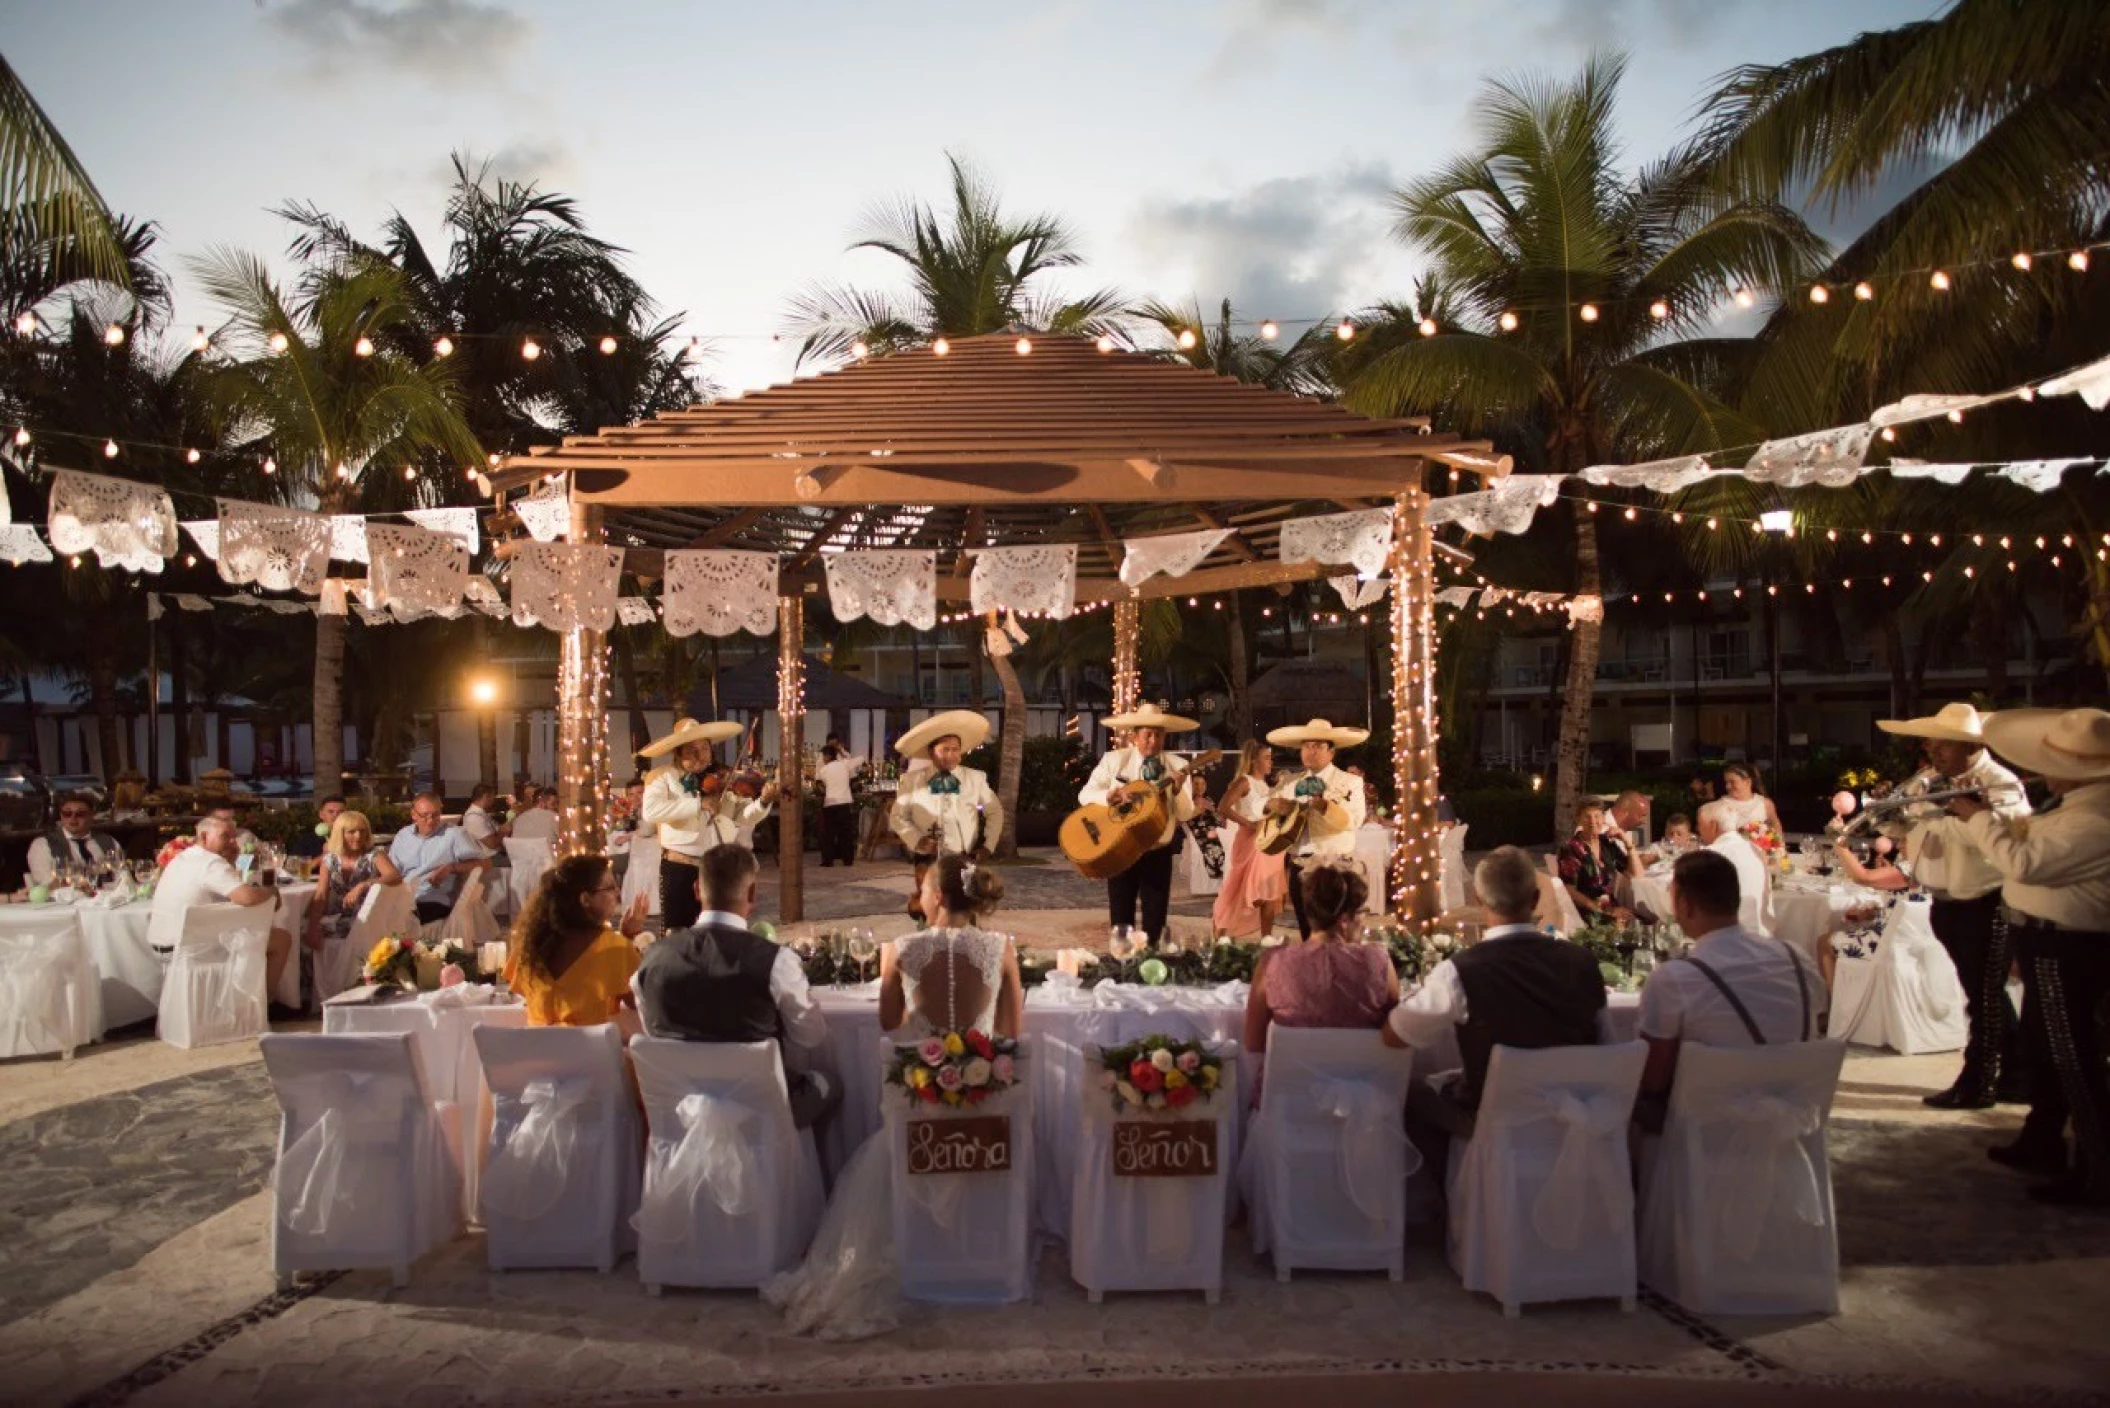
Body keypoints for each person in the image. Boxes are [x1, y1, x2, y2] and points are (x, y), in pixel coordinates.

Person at [764, 852, 1023, 1341]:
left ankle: (916, 1250)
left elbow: (889, 1025)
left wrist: (932, 1043)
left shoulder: (899, 948)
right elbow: (1011, 1034)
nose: (919, 894)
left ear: (940, 897)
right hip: (983, 1108)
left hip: (920, 1105)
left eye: (923, 886)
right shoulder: (1001, 947)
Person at [1948, 708, 2110, 1206]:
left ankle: (2097, 1171)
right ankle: (2044, 1141)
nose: (2040, 770)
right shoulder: (2072, 807)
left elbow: (2024, 863)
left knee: (2073, 1060)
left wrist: (1976, 818)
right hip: (2048, 942)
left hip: (2068, 946)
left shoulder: (2093, 817)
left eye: (2050, 761)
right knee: (2051, 1053)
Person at [1386, 845, 1608, 1167]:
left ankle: (1439, 1202)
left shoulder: (1462, 971)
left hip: (1495, 1121)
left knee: (1407, 1090)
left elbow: (1395, 1035)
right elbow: (1607, 1043)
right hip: (1573, 1114)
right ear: (1534, 900)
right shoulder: (1583, 962)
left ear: (1480, 900)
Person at [1861, 702, 2032, 1109]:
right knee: (1984, 992)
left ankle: (1978, 1083)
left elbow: (2008, 837)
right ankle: (2016, 1075)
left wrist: (1960, 813)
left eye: (1942, 745)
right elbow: (1907, 826)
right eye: (1931, 744)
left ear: (1969, 746)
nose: (1932, 752)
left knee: (1984, 996)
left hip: (1985, 901)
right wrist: (1885, 815)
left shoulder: (2000, 782)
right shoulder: (1931, 780)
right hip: (1945, 900)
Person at [633, 843, 835, 1123]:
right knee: (832, 1083)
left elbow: (654, 1033)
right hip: (761, 1113)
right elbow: (810, 1036)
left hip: (683, 1113)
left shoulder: (650, 962)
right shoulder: (775, 961)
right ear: (752, 893)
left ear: (696, 890)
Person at [1636, 848, 1825, 1113]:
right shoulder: (1798, 959)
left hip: (1703, 1137)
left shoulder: (1674, 978)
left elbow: (1652, 1079)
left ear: (1684, 905)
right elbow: (1815, 1023)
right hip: (1790, 1129)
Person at [1244, 863, 1396, 1101]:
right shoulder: (1378, 961)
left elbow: (1253, 1044)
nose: (1363, 922)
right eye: (1362, 913)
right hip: (1363, 1104)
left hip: (1286, 1106)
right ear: (1345, 919)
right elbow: (1395, 1035)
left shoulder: (1273, 962)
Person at [1078, 704, 1202, 945]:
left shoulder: (1177, 765)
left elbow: (1186, 814)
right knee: (1120, 921)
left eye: (1159, 734)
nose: (1153, 741)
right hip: (1120, 849)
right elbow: (1084, 795)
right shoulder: (1115, 761)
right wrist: (1109, 797)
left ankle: (1150, 969)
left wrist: (1177, 790)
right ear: (1135, 736)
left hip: (1157, 851)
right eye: (1148, 734)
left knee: (1155, 921)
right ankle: (1121, 968)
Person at [149, 815, 294, 1005]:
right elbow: (247, 897)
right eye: (226, 837)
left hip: (163, 945)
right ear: (203, 837)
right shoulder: (210, 863)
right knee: (281, 939)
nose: (233, 843)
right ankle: (260, 1007)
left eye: (234, 837)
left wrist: (232, 861)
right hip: (193, 950)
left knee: (252, 935)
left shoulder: (181, 859)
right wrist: (271, 892)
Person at [506, 853, 647, 1029]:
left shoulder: (528, 946)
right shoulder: (615, 948)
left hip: (537, 1052)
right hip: (589, 1053)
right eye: (610, 887)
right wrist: (628, 942)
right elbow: (641, 1003)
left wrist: (624, 937)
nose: (617, 893)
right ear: (585, 899)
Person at [889, 710, 1003, 923]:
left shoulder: (975, 778)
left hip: (964, 858)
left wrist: (988, 845)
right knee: (928, 913)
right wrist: (918, 840)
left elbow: (995, 811)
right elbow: (897, 817)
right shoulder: (912, 781)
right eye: (945, 750)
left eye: (956, 750)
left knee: (966, 912)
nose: (952, 755)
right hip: (928, 861)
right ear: (932, 752)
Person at [638, 717, 751, 931]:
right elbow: (651, 811)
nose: (700, 756)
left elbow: (741, 813)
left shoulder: (718, 778)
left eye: (705, 749)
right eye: (692, 750)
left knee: (718, 931)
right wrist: (697, 804)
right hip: (681, 868)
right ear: (678, 753)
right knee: (679, 933)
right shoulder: (662, 777)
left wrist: (761, 801)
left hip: (716, 868)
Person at [1262, 718, 1369, 938]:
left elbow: (1354, 820)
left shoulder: (1349, 782)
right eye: (1307, 746)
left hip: (1334, 865)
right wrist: (1269, 806)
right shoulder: (1289, 782)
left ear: (1331, 753)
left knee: (1339, 932)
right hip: (1299, 864)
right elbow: (1257, 807)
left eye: (1319, 746)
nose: (1311, 751)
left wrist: (1324, 807)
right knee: (1306, 931)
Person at [302, 809, 402, 959]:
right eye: (352, 831)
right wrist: (313, 926)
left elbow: (395, 876)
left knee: (329, 930)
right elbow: (321, 894)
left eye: (362, 831)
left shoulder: (374, 855)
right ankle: (321, 981)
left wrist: (364, 885)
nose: (358, 836)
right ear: (340, 834)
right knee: (304, 931)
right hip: (339, 916)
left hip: (367, 917)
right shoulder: (329, 860)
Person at [1213, 739, 1287, 939]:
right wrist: (1249, 824)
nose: (1271, 762)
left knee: (1270, 892)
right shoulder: (1244, 782)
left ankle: (1267, 939)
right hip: (1250, 841)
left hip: (1270, 841)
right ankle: (1221, 935)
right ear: (1254, 761)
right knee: (1240, 890)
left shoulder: (1265, 785)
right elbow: (1223, 807)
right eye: (1267, 758)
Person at [387, 791, 493, 925]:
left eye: (436, 815)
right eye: (424, 815)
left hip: (432, 900)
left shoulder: (454, 834)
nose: (430, 821)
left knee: (398, 921)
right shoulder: (403, 836)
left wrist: (452, 867)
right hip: (403, 898)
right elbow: (392, 873)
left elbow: (487, 863)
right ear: (413, 814)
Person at [1558, 798, 1638, 924]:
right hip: (1587, 912)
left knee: (1642, 921)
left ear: (1603, 819)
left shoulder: (1606, 842)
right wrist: (1604, 911)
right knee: (1633, 928)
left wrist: (1627, 843)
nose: (1592, 822)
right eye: (1587, 817)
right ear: (1578, 819)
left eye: (1597, 816)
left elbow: (1636, 874)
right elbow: (1570, 889)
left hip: (1611, 908)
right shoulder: (1571, 848)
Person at [27, 794, 123, 885]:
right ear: (61, 816)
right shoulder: (42, 845)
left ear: (91, 816)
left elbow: (122, 876)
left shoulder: (109, 842)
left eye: (80, 814)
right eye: (67, 814)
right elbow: (47, 883)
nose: (73, 818)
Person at [1697, 763, 1783, 844]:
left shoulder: (1764, 804)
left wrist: (1778, 846)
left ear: (1747, 782)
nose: (1728, 786)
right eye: (1726, 782)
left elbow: (1775, 826)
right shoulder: (1715, 807)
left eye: (1732, 782)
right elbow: (1708, 840)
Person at [814, 745, 865, 868]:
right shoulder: (845, 764)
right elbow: (861, 759)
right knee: (846, 833)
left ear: (827, 756)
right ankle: (848, 860)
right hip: (844, 802)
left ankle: (828, 861)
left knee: (829, 834)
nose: (822, 759)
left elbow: (820, 785)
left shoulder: (823, 770)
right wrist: (843, 752)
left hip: (830, 803)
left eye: (823, 756)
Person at [286, 795, 344, 861]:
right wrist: (325, 856)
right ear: (321, 815)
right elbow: (294, 866)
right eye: (331, 812)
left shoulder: (354, 838)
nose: (335, 815)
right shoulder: (306, 840)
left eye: (341, 812)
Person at [460, 784, 504, 851]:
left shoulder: (481, 813)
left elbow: (498, 828)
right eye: (493, 796)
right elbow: (492, 844)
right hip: (488, 858)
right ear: (485, 796)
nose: (494, 799)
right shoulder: (474, 817)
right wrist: (504, 832)